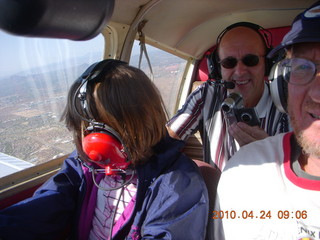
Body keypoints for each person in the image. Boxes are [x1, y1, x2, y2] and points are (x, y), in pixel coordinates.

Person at [0, 60, 209, 240]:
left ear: (143, 121)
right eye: (86, 128)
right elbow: (44, 206)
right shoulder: (83, 165)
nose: (93, 142)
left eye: (105, 127)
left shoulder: (178, 182)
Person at [213, 1, 320, 239]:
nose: (239, 72)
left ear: (268, 69)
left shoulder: (283, 116)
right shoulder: (239, 177)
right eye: (303, 67)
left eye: (250, 60)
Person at [167, 22, 290, 170]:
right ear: (218, 69)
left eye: (250, 60)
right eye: (229, 62)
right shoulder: (206, 94)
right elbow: (165, 141)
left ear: (268, 63)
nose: (239, 72)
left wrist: (270, 152)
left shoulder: (287, 103)